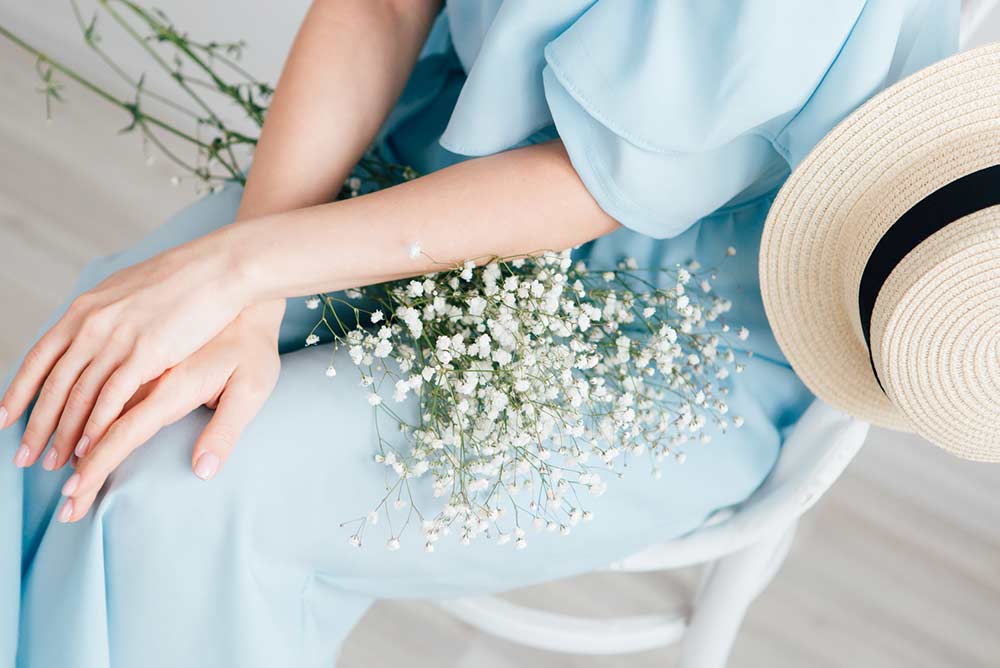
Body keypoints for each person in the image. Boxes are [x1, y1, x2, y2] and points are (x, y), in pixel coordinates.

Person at [0, 1, 958, 665]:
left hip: (680, 324)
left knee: (189, 500)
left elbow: (596, 180)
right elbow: (377, 10)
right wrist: (245, 292)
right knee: (88, 396)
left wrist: (240, 267)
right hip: (439, 157)